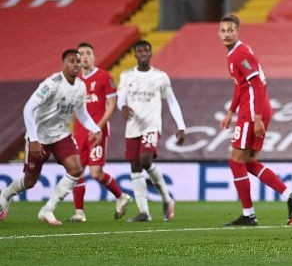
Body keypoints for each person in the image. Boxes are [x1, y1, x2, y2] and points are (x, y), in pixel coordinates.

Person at [218, 14, 292, 226]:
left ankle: (249, 215)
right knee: (248, 162)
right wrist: (231, 111)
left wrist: (256, 117)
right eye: (223, 30)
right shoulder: (235, 54)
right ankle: (290, 196)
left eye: (231, 30)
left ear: (237, 31)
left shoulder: (239, 54)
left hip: (253, 111)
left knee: (235, 160)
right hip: (254, 110)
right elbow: (240, 86)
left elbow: (257, 83)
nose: (227, 34)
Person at [0, 49, 103, 225]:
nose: (76, 64)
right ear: (63, 64)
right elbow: (28, 108)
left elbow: (82, 113)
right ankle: (5, 195)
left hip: (61, 135)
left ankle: (47, 210)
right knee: (30, 181)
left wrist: (96, 129)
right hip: (39, 137)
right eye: (71, 61)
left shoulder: (80, 86)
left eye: (78, 61)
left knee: (76, 170)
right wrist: (33, 139)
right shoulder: (52, 83)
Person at [117, 39, 186, 222]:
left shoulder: (160, 77)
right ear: (135, 54)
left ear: (151, 53)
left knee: (145, 160)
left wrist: (181, 126)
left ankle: (166, 198)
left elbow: (171, 101)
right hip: (132, 127)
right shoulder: (126, 76)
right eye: (139, 51)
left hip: (151, 125)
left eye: (146, 51)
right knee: (135, 166)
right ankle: (144, 212)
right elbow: (120, 99)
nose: (143, 54)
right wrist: (122, 107)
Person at [69, 42, 131, 222]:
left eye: (88, 53)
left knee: (96, 173)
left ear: (94, 57)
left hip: (98, 131)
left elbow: (111, 106)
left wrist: (98, 127)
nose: (85, 56)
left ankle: (121, 196)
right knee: (76, 172)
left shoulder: (104, 77)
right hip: (79, 133)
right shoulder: (74, 80)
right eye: (81, 54)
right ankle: (79, 212)